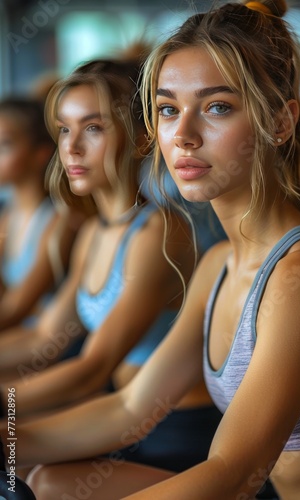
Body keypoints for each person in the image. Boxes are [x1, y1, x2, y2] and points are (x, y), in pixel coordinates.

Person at [2, 0, 300, 498]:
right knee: (52, 481)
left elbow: (231, 470)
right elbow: (130, 407)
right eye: (168, 109)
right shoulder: (221, 261)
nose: (183, 136)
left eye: (217, 107)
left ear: (279, 123)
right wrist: (8, 437)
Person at [0, 51, 223, 474]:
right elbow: (43, 339)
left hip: (180, 428)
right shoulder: (93, 232)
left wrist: (3, 401)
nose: (71, 147)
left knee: (38, 475)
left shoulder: (158, 232)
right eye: (64, 129)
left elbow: (92, 367)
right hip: (121, 420)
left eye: (93, 129)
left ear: (140, 138)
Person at [0, 97, 82, 331]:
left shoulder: (59, 220)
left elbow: (16, 309)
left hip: (47, 345)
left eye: (4, 144)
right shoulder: (8, 215)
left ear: (40, 154)